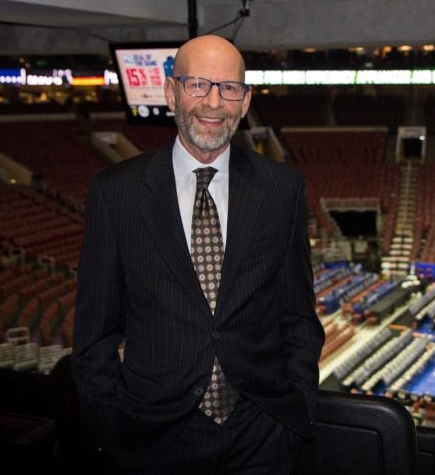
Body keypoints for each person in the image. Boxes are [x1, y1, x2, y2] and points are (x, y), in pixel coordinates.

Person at [72, 34, 324, 474]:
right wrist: (110, 427)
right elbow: (94, 335)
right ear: (170, 92)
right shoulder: (116, 193)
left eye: (228, 88)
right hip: (153, 438)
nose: (213, 102)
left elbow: (298, 316)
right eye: (197, 85)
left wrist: (295, 403)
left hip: (262, 433)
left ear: (245, 102)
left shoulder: (282, 189)